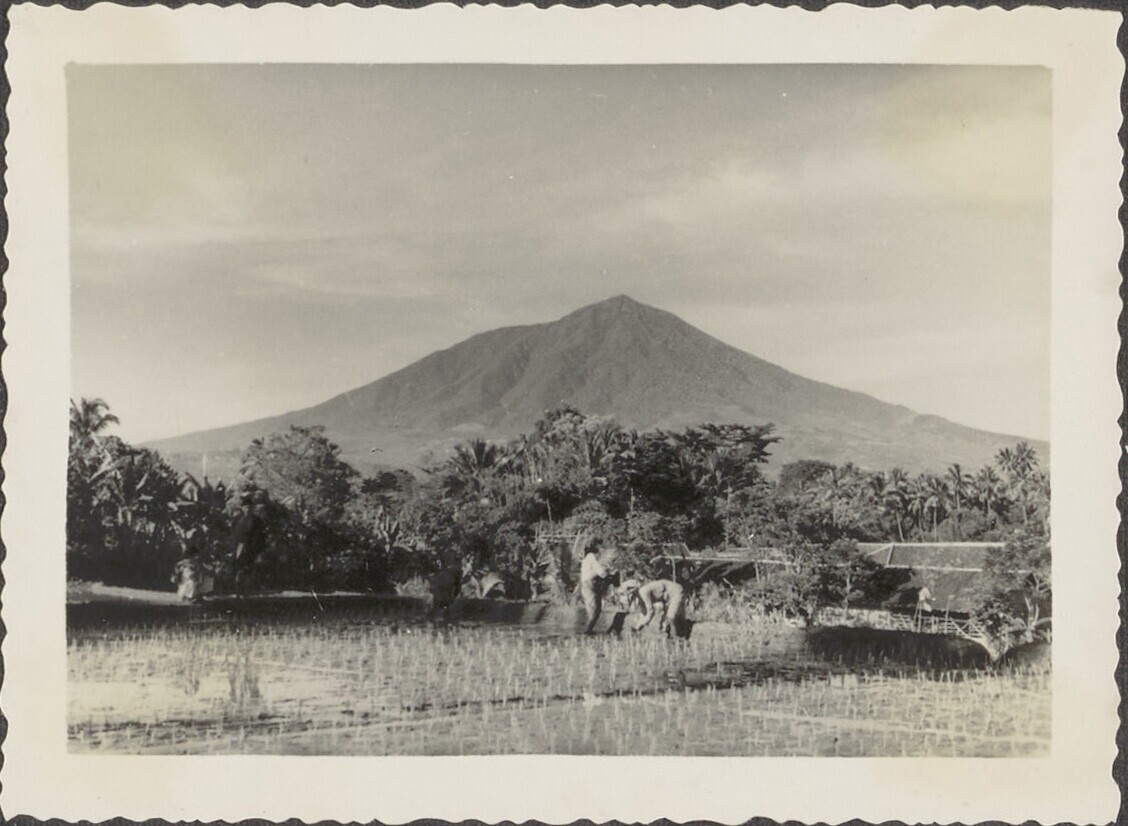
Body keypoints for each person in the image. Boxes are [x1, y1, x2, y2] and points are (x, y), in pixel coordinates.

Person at [622, 578, 687, 638]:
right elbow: (644, 614)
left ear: (633, 591)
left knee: (671, 617)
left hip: (675, 592)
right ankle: (676, 636)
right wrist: (637, 628)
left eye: (629, 594)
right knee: (664, 626)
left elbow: (651, 612)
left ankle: (676, 638)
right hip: (667, 597)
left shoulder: (643, 591)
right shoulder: (640, 596)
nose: (629, 597)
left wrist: (638, 627)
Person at [232, 490, 269, 596]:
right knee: (238, 568)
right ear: (242, 508)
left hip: (252, 548)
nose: (247, 509)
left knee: (248, 569)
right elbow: (233, 534)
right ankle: (237, 590)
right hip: (239, 547)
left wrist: (258, 550)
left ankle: (247, 591)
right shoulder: (237, 519)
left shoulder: (257, 521)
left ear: (252, 508)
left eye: (249, 507)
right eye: (245, 507)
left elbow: (261, 537)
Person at [578, 541, 614, 635]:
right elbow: (601, 572)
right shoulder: (591, 557)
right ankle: (587, 631)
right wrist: (607, 573)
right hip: (590, 583)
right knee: (594, 609)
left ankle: (588, 630)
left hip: (587, 583)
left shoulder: (587, 558)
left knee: (593, 608)